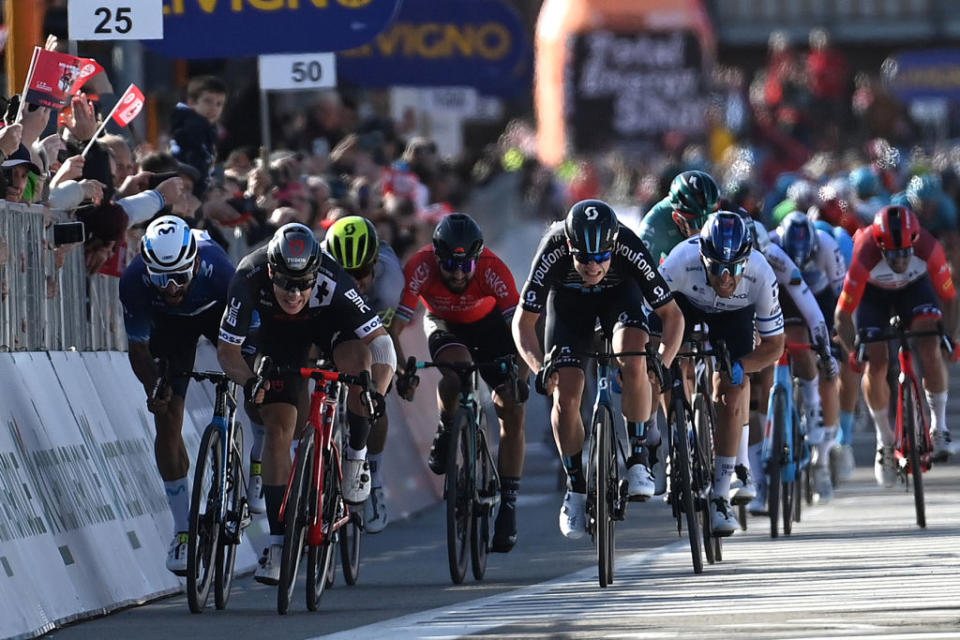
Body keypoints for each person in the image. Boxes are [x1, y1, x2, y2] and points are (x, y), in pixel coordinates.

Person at [217, 223, 392, 584]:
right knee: (279, 429)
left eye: (303, 284)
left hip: (329, 328)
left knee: (360, 368)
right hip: (278, 341)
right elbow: (228, 351)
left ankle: (356, 457)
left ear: (316, 272)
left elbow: (381, 342)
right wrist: (250, 382)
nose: (295, 293)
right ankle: (279, 542)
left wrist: (378, 391)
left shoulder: (334, 277)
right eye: (286, 283)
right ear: (271, 271)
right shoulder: (248, 274)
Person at [513, 200, 684, 540]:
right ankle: (576, 489)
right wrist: (539, 367)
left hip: (619, 301)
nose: (593, 267)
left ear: (613, 246)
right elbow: (523, 322)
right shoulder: (553, 246)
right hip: (569, 308)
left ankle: (637, 457)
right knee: (565, 393)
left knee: (634, 359)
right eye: (584, 259)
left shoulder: (628, 244)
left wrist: (662, 363)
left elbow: (672, 315)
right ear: (570, 246)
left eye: (602, 257)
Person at [390, 213, 528, 552]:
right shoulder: (420, 266)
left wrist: (521, 377)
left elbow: (524, 331)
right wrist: (401, 373)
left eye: (467, 265)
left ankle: (508, 505)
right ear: (437, 257)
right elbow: (394, 330)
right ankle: (447, 426)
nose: (458, 273)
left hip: (495, 329)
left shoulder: (494, 270)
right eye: (450, 264)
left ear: (478, 259)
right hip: (446, 327)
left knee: (511, 407)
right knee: (456, 372)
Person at [119, 216, 245, 575]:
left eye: (178, 277)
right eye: (161, 278)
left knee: (257, 385)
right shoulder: (134, 282)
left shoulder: (218, 270)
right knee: (167, 419)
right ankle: (183, 530)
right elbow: (140, 352)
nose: (172, 288)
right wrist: (155, 387)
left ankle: (254, 471)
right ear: (148, 270)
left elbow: (249, 336)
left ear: (194, 263)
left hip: (217, 314)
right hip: (170, 329)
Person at [658, 212, 784, 535]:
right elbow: (651, 325)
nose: (726, 278)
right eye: (717, 268)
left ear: (747, 260)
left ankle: (719, 495)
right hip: (685, 306)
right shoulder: (679, 262)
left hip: (734, 316)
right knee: (671, 363)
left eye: (734, 269)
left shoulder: (760, 273)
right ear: (702, 257)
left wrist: (743, 366)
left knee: (732, 388)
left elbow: (774, 346)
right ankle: (679, 438)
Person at [835, 206, 960, 487]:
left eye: (905, 254)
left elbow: (950, 298)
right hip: (873, 298)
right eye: (892, 255)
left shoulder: (929, 247)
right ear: (880, 247)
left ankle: (939, 427)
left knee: (930, 345)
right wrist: (853, 352)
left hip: (915, 290)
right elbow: (842, 315)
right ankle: (885, 442)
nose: (900, 261)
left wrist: (951, 338)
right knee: (875, 363)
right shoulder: (864, 252)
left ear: (914, 243)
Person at [322, 215, 404, 533]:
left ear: (374, 266)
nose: (354, 282)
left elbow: (382, 340)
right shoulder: (321, 265)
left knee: (372, 396)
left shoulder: (388, 282)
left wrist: (376, 392)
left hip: (371, 326)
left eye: (360, 274)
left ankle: (375, 477)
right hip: (329, 318)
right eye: (346, 274)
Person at [771, 211, 845, 502]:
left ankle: (823, 458)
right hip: (781, 296)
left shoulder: (826, 245)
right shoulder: (772, 244)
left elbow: (841, 296)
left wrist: (835, 339)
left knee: (829, 366)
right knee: (786, 345)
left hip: (822, 298)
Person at [170, 75, 227, 197]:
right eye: (208, 101)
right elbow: (195, 162)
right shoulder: (193, 126)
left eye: (219, 104)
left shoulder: (208, 129)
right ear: (191, 102)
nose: (213, 108)